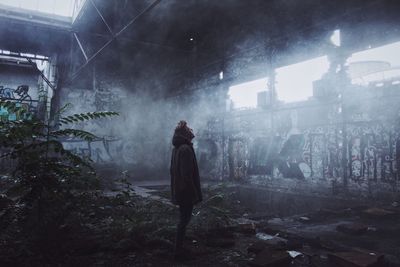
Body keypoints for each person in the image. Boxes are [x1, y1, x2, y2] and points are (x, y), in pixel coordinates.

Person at [170, 120, 202, 261]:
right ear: (184, 133)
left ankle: (179, 248)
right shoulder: (185, 149)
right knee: (184, 220)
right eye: (188, 129)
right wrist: (194, 193)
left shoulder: (177, 149)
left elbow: (173, 171)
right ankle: (178, 252)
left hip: (180, 189)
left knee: (183, 219)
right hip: (185, 191)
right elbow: (187, 175)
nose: (191, 130)